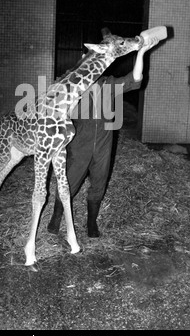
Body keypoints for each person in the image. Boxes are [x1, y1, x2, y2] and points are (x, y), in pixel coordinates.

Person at [47, 28, 160, 238]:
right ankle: (56, 216)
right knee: (69, 181)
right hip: (79, 145)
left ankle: (91, 223)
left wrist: (142, 53)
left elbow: (135, 79)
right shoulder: (73, 87)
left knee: (99, 182)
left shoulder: (108, 85)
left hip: (103, 145)